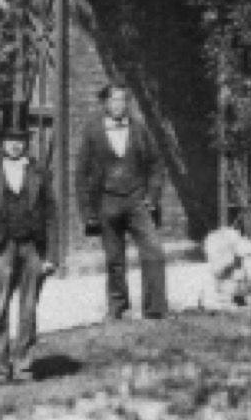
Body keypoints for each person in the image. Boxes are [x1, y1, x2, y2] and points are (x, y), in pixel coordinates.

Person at [0, 115, 57, 383]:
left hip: (32, 245)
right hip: (0, 246)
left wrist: (50, 256)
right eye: (10, 140)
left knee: (29, 306)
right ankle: (0, 368)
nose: (15, 145)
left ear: (26, 143)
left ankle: (25, 364)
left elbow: (51, 212)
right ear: (2, 143)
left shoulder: (38, 171)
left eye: (20, 140)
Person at [76, 82, 173, 322]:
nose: (119, 105)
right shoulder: (93, 132)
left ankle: (155, 309)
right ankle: (117, 307)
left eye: (123, 100)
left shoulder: (139, 129)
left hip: (137, 201)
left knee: (154, 252)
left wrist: (152, 196)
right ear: (106, 103)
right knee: (114, 259)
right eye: (114, 100)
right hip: (107, 202)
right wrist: (88, 211)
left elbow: (156, 164)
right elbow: (82, 174)